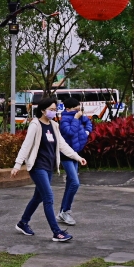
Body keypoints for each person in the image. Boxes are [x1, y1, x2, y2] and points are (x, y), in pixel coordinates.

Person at [10, 95, 86, 243]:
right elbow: (26, 145)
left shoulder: (54, 125)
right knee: (48, 198)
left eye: (55, 109)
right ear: (43, 110)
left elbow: (62, 145)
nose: (54, 112)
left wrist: (77, 157)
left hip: (49, 167)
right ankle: (56, 232)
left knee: (38, 197)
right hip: (37, 167)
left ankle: (23, 223)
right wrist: (17, 164)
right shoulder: (35, 125)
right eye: (51, 109)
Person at [56, 94, 93, 226]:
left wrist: (86, 132)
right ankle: (65, 211)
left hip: (77, 153)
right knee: (75, 183)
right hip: (66, 155)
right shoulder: (64, 120)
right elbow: (70, 132)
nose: (79, 109)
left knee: (70, 183)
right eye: (77, 107)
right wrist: (77, 119)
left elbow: (89, 123)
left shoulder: (80, 116)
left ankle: (62, 212)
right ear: (70, 108)